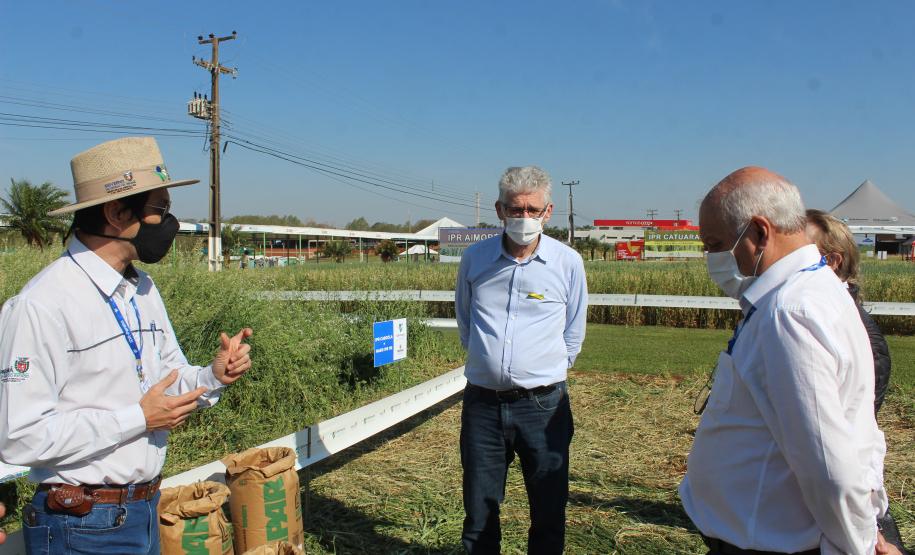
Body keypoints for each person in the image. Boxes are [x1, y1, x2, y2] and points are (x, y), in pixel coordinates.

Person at [0, 136, 254, 554]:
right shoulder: (41, 305)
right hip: (80, 524)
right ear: (117, 212)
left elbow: (167, 379)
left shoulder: (143, 290)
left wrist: (213, 375)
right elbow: (19, 437)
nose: (170, 224)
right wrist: (137, 418)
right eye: (160, 211)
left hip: (142, 509)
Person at [680, 167, 889, 554]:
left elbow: (828, 465)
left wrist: (857, 545)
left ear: (759, 233)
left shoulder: (790, 313)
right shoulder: (810, 290)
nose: (710, 257)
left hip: (770, 543)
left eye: (714, 244)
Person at [455, 165, 588, 554]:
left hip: (544, 406)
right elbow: (466, 322)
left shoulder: (567, 263)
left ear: (548, 212)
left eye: (533, 210)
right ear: (499, 210)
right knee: (479, 509)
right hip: (482, 404)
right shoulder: (475, 259)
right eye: (516, 209)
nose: (524, 218)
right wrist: (490, 361)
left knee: (548, 509)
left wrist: (542, 369)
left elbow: (574, 331)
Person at [806, 209, 906, 555]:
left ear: (832, 261)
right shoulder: (827, 314)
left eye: (801, 253)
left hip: (851, 498)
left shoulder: (851, 326)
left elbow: (847, 428)